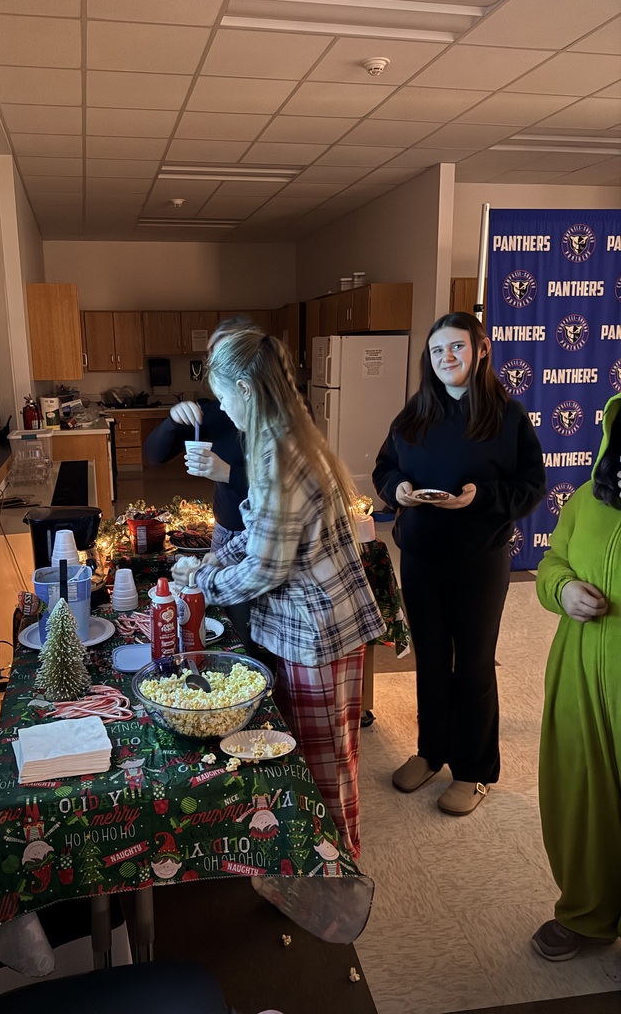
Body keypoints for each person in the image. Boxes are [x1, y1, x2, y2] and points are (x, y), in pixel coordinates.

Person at [194, 328, 385, 858]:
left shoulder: (280, 453)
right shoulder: (279, 439)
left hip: (317, 634)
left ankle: (341, 871)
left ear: (247, 389)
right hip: (308, 628)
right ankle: (311, 866)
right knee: (299, 755)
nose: (222, 406)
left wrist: (207, 581)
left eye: (224, 394)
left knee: (324, 771)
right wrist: (213, 559)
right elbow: (262, 533)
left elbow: (265, 568)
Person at [373, 312, 546, 816]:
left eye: (456, 348)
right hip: (422, 557)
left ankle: (474, 770)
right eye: (437, 351)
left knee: (471, 664)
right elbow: (386, 467)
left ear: (481, 350)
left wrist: (479, 498)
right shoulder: (415, 414)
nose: (446, 358)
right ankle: (432, 751)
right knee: (429, 658)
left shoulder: (506, 416)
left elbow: (531, 486)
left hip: (479, 559)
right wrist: (397, 490)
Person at [531, 392, 621, 961]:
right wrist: (562, 590)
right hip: (580, 670)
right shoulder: (589, 498)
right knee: (582, 793)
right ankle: (588, 914)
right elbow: (551, 563)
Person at [143, 316, 256, 653]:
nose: (214, 367)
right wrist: (173, 420)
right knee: (230, 621)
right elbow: (154, 454)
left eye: (223, 356)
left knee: (255, 626)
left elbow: (288, 490)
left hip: (267, 534)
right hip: (226, 532)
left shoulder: (280, 416)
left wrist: (228, 473)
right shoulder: (220, 411)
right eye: (212, 358)